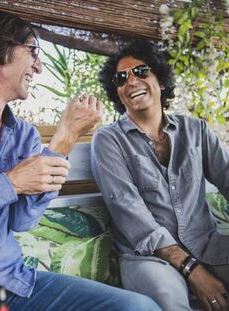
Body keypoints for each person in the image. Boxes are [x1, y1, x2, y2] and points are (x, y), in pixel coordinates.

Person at [0, 9, 160, 311]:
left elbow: (22, 221)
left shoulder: (24, 135)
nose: (39, 66)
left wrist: (64, 140)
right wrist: (9, 184)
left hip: (7, 288)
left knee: (139, 308)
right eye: (33, 51)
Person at [92, 39, 229, 311]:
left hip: (207, 246)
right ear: (116, 92)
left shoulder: (195, 130)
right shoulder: (108, 141)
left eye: (141, 71)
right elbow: (129, 211)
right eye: (121, 78)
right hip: (148, 258)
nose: (131, 81)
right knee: (168, 298)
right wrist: (194, 271)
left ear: (161, 81)